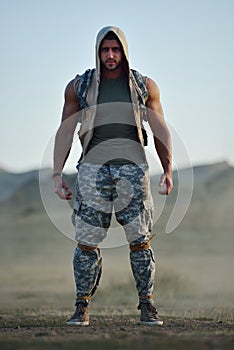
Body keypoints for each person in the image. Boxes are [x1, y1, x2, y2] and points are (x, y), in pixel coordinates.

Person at [53, 26, 173, 326]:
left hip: (133, 168)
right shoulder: (79, 87)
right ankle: (81, 307)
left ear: (124, 52)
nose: (110, 55)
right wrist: (57, 173)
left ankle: (147, 306)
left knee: (140, 240)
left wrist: (168, 170)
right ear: (97, 52)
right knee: (86, 241)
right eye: (105, 50)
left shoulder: (143, 86)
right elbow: (66, 129)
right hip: (92, 170)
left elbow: (159, 128)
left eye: (115, 49)